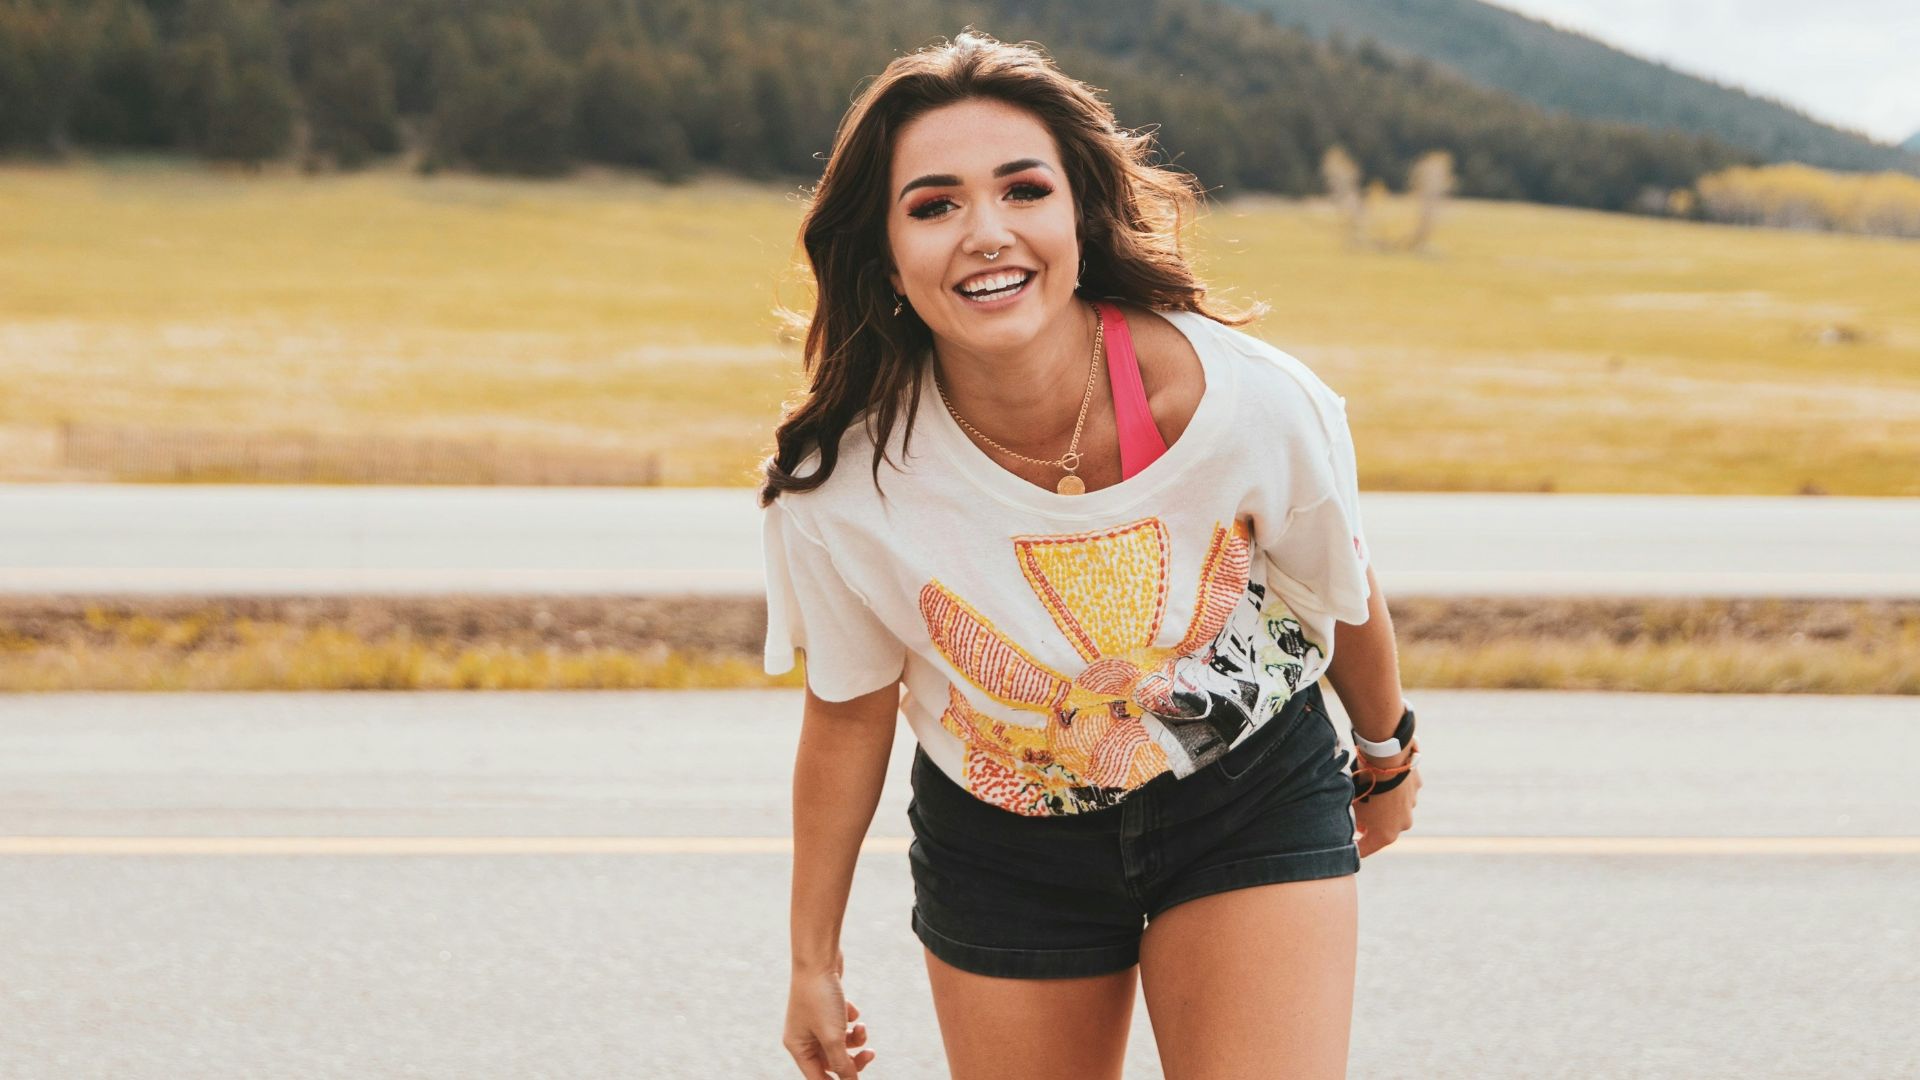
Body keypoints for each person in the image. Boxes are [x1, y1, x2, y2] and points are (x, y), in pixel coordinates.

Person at [759, 30, 1421, 1080]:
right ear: (884, 254)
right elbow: (847, 709)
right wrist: (811, 958)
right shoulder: (842, 484)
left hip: (1247, 788)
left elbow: (1336, 581)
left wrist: (1386, 751)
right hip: (1002, 837)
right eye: (933, 206)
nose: (986, 233)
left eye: (1024, 190)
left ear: (1077, 213)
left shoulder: (1246, 402)